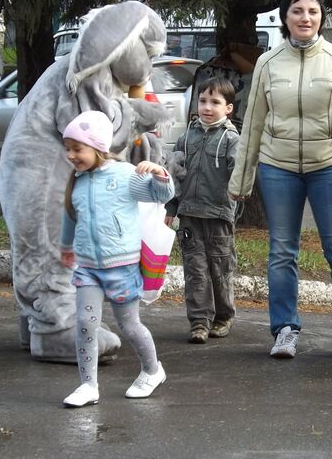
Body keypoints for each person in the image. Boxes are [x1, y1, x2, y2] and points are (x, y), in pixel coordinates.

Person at [228, 0, 332, 360]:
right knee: (281, 251)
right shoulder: (267, 63)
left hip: (331, 166)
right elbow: (254, 124)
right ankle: (285, 329)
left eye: (312, 11)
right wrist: (241, 179)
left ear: (322, 16)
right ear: (284, 17)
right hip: (278, 168)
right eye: (297, 11)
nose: (305, 18)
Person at [59, 110, 175, 408]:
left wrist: (159, 174)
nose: (71, 156)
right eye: (68, 149)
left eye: (77, 149)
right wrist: (66, 245)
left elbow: (162, 196)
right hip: (88, 269)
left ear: (97, 147)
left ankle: (152, 370)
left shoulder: (125, 175)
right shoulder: (78, 181)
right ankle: (88, 385)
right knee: (85, 324)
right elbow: (71, 216)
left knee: (130, 326)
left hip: (121, 268)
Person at [166, 77, 240, 344]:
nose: (207, 107)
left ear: (228, 108)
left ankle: (223, 317)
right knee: (195, 270)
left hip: (219, 215)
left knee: (220, 269)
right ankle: (199, 321)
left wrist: (234, 200)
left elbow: (239, 177)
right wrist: (172, 207)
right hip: (189, 216)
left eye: (215, 102)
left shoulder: (232, 140)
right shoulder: (185, 139)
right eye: (203, 101)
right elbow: (175, 176)